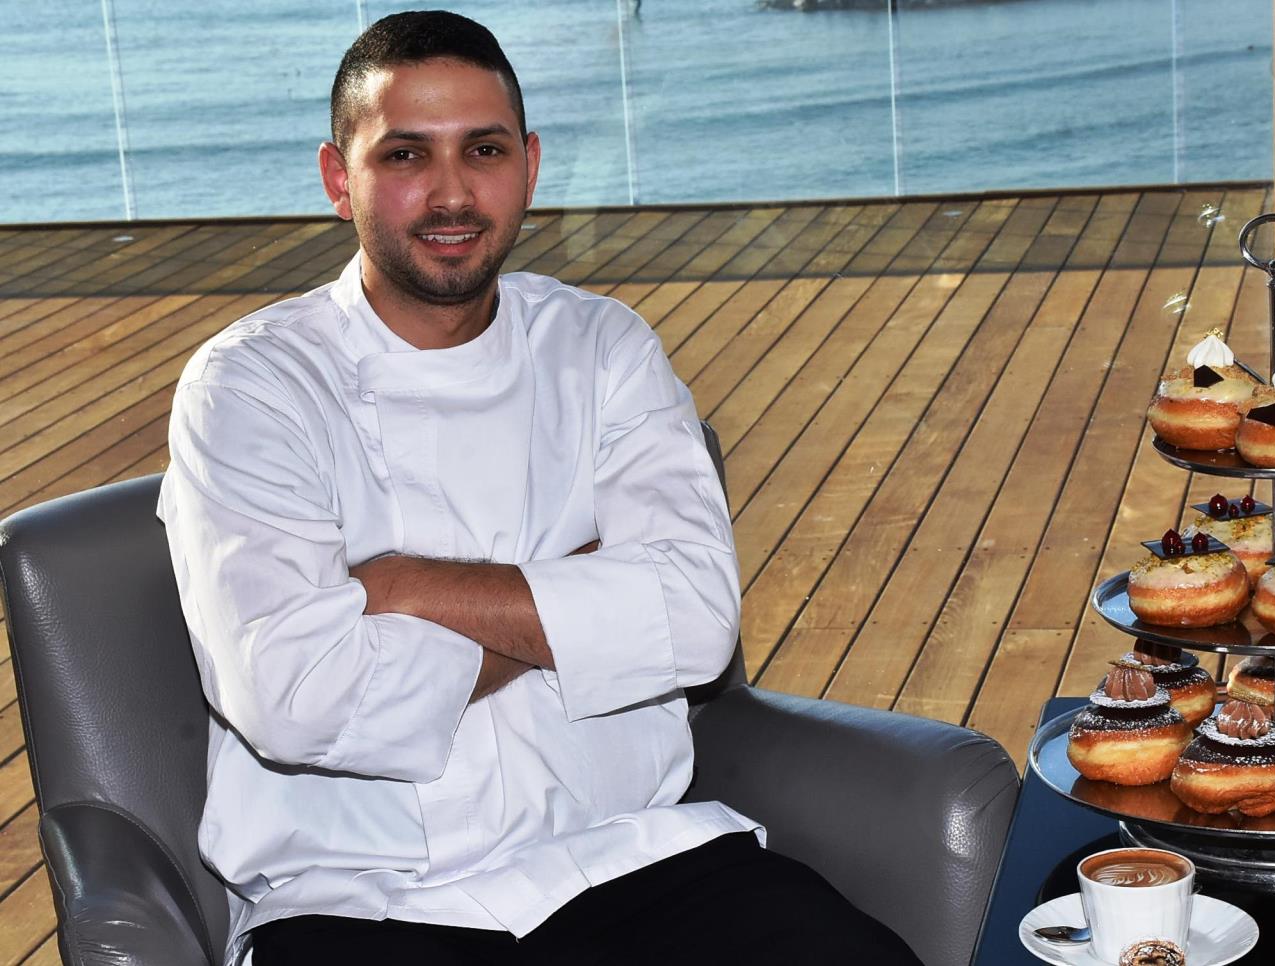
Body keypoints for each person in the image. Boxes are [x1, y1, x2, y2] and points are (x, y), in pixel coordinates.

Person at [157, 10, 922, 966]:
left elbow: (693, 622)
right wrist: (582, 599)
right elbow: (298, 695)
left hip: (629, 862)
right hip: (360, 900)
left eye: (482, 149)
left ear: (530, 165)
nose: (449, 193)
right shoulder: (252, 386)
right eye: (404, 155)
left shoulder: (602, 348)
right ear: (336, 180)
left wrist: (402, 586)